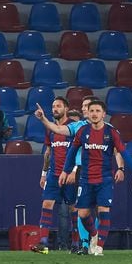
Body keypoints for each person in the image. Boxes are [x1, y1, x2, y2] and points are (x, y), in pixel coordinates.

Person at [35, 96, 125, 255]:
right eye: (85, 107)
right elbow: (54, 147)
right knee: (74, 209)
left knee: (89, 209)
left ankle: (87, 243)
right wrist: (43, 119)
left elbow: (118, 150)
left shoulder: (103, 129)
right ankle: (54, 243)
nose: (85, 109)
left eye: (88, 107)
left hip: (87, 173)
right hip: (66, 173)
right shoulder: (78, 127)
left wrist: (121, 168)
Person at [58, 100, 132, 256]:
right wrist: (65, 171)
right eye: (91, 110)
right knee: (83, 214)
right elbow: (72, 151)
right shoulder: (83, 131)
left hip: (104, 179)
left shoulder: (111, 132)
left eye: (97, 111)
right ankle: (93, 234)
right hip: (85, 179)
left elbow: (123, 153)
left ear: (103, 114)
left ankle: (99, 247)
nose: (94, 113)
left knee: (103, 211)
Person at [32, 97, 79, 254]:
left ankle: (76, 243)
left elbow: (80, 151)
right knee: (46, 204)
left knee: (73, 209)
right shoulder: (50, 129)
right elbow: (48, 152)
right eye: (53, 106)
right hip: (53, 174)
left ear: (66, 108)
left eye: (58, 106)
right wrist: (44, 174)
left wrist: (74, 171)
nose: (55, 109)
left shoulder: (73, 127)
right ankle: (43, 243)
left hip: (70, 175)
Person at [56, 109, 83, 251]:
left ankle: (79, 242)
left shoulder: (82, 136)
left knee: (77, 210)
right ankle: (63, 243)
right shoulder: (59, 135)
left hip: (77, 174)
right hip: (59, 175)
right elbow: (50, 153)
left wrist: (72, 171)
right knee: (62, 211)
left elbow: (78, 155)